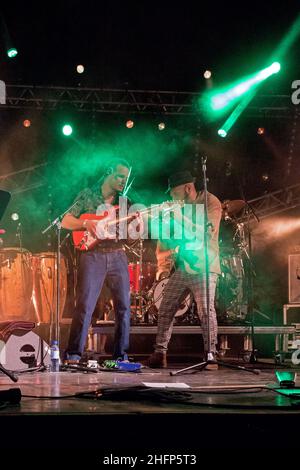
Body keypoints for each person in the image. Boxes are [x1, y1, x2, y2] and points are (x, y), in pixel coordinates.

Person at [144, 170, 222, 368]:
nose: (171, 196)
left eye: (173, 192)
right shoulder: (179, 208)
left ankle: (211, 355)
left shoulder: (210, 202)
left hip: (204, 265)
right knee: (166, 305)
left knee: (206, 311)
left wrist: (179, 217)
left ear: (188, 188)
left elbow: (206, 232)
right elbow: (167, 240)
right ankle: (159, 353)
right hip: (184, 267)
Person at [62, 158, 132, 363]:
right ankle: (74, 353)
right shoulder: (87, 195)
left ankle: (121, 355)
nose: (122, 181)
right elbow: (65, 220)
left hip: (118, 254)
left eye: (126, 178)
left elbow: (129, 235)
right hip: (92, 255)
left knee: (124, 307)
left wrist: (136, 223)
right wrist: (85, 223)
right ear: (109, 172)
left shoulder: (125, 201)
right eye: (120, 176)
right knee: (85, 304)